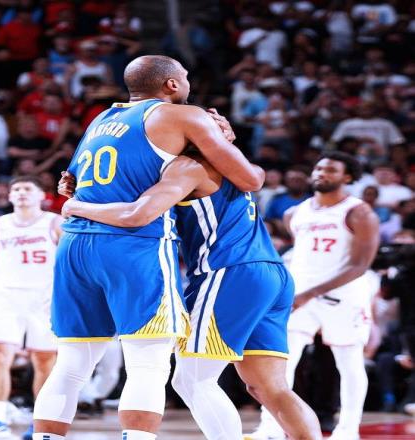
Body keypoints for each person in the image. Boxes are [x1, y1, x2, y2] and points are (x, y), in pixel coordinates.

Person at [33, 54, 265, 440]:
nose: (188, 82)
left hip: (75, 244)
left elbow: (69, 183)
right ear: (171, 84)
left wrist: (75, 202)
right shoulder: (184, 115)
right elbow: (250, 180)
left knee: (71, 365)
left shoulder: (101, 119)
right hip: (133, 244)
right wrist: (224, 142)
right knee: (148, 363)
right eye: (185, 76)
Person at [60, 146, 323, 440]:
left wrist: (78, 205)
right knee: (268, 387)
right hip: (270, 272)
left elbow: (137, 213)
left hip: (228, 271)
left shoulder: (190, 168)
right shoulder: (239, 167)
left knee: (192, 380)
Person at [252, 151, 380, 440]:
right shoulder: (294, 213)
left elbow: (360, 265)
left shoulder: (359, 212)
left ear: (347, 177)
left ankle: (347, 430)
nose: (321, 173)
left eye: (331, 170)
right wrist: (298, 293)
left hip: (344, 295)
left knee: (348, 362)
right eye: (319, 168)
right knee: (280, 362)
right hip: (299, 296)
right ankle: (271, 427)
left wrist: (311, 293)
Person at [0, 176, 62, 440]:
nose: (21, 193)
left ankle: (41, 422)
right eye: (16, 189)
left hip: (45, 298)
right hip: (6, 297)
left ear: (42, 195)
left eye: (27, 188)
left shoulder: (55, 222)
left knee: (44, 360)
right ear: (9, 196)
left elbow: (70, 265)